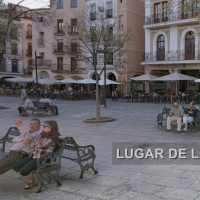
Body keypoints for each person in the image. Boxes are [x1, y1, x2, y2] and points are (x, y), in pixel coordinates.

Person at [13, 120, 60, 189]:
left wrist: (35, 143)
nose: (43, 127)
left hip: (42, 159)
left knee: (24, 171)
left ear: (51, 127)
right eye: (43, 126)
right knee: (15, 166)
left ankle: (32, 181)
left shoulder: (53, 137)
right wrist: (35, 143)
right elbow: (33, 144)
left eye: (45, 126)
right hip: (34, 155)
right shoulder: (43, 134)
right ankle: (34, 179)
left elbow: (41, 145)